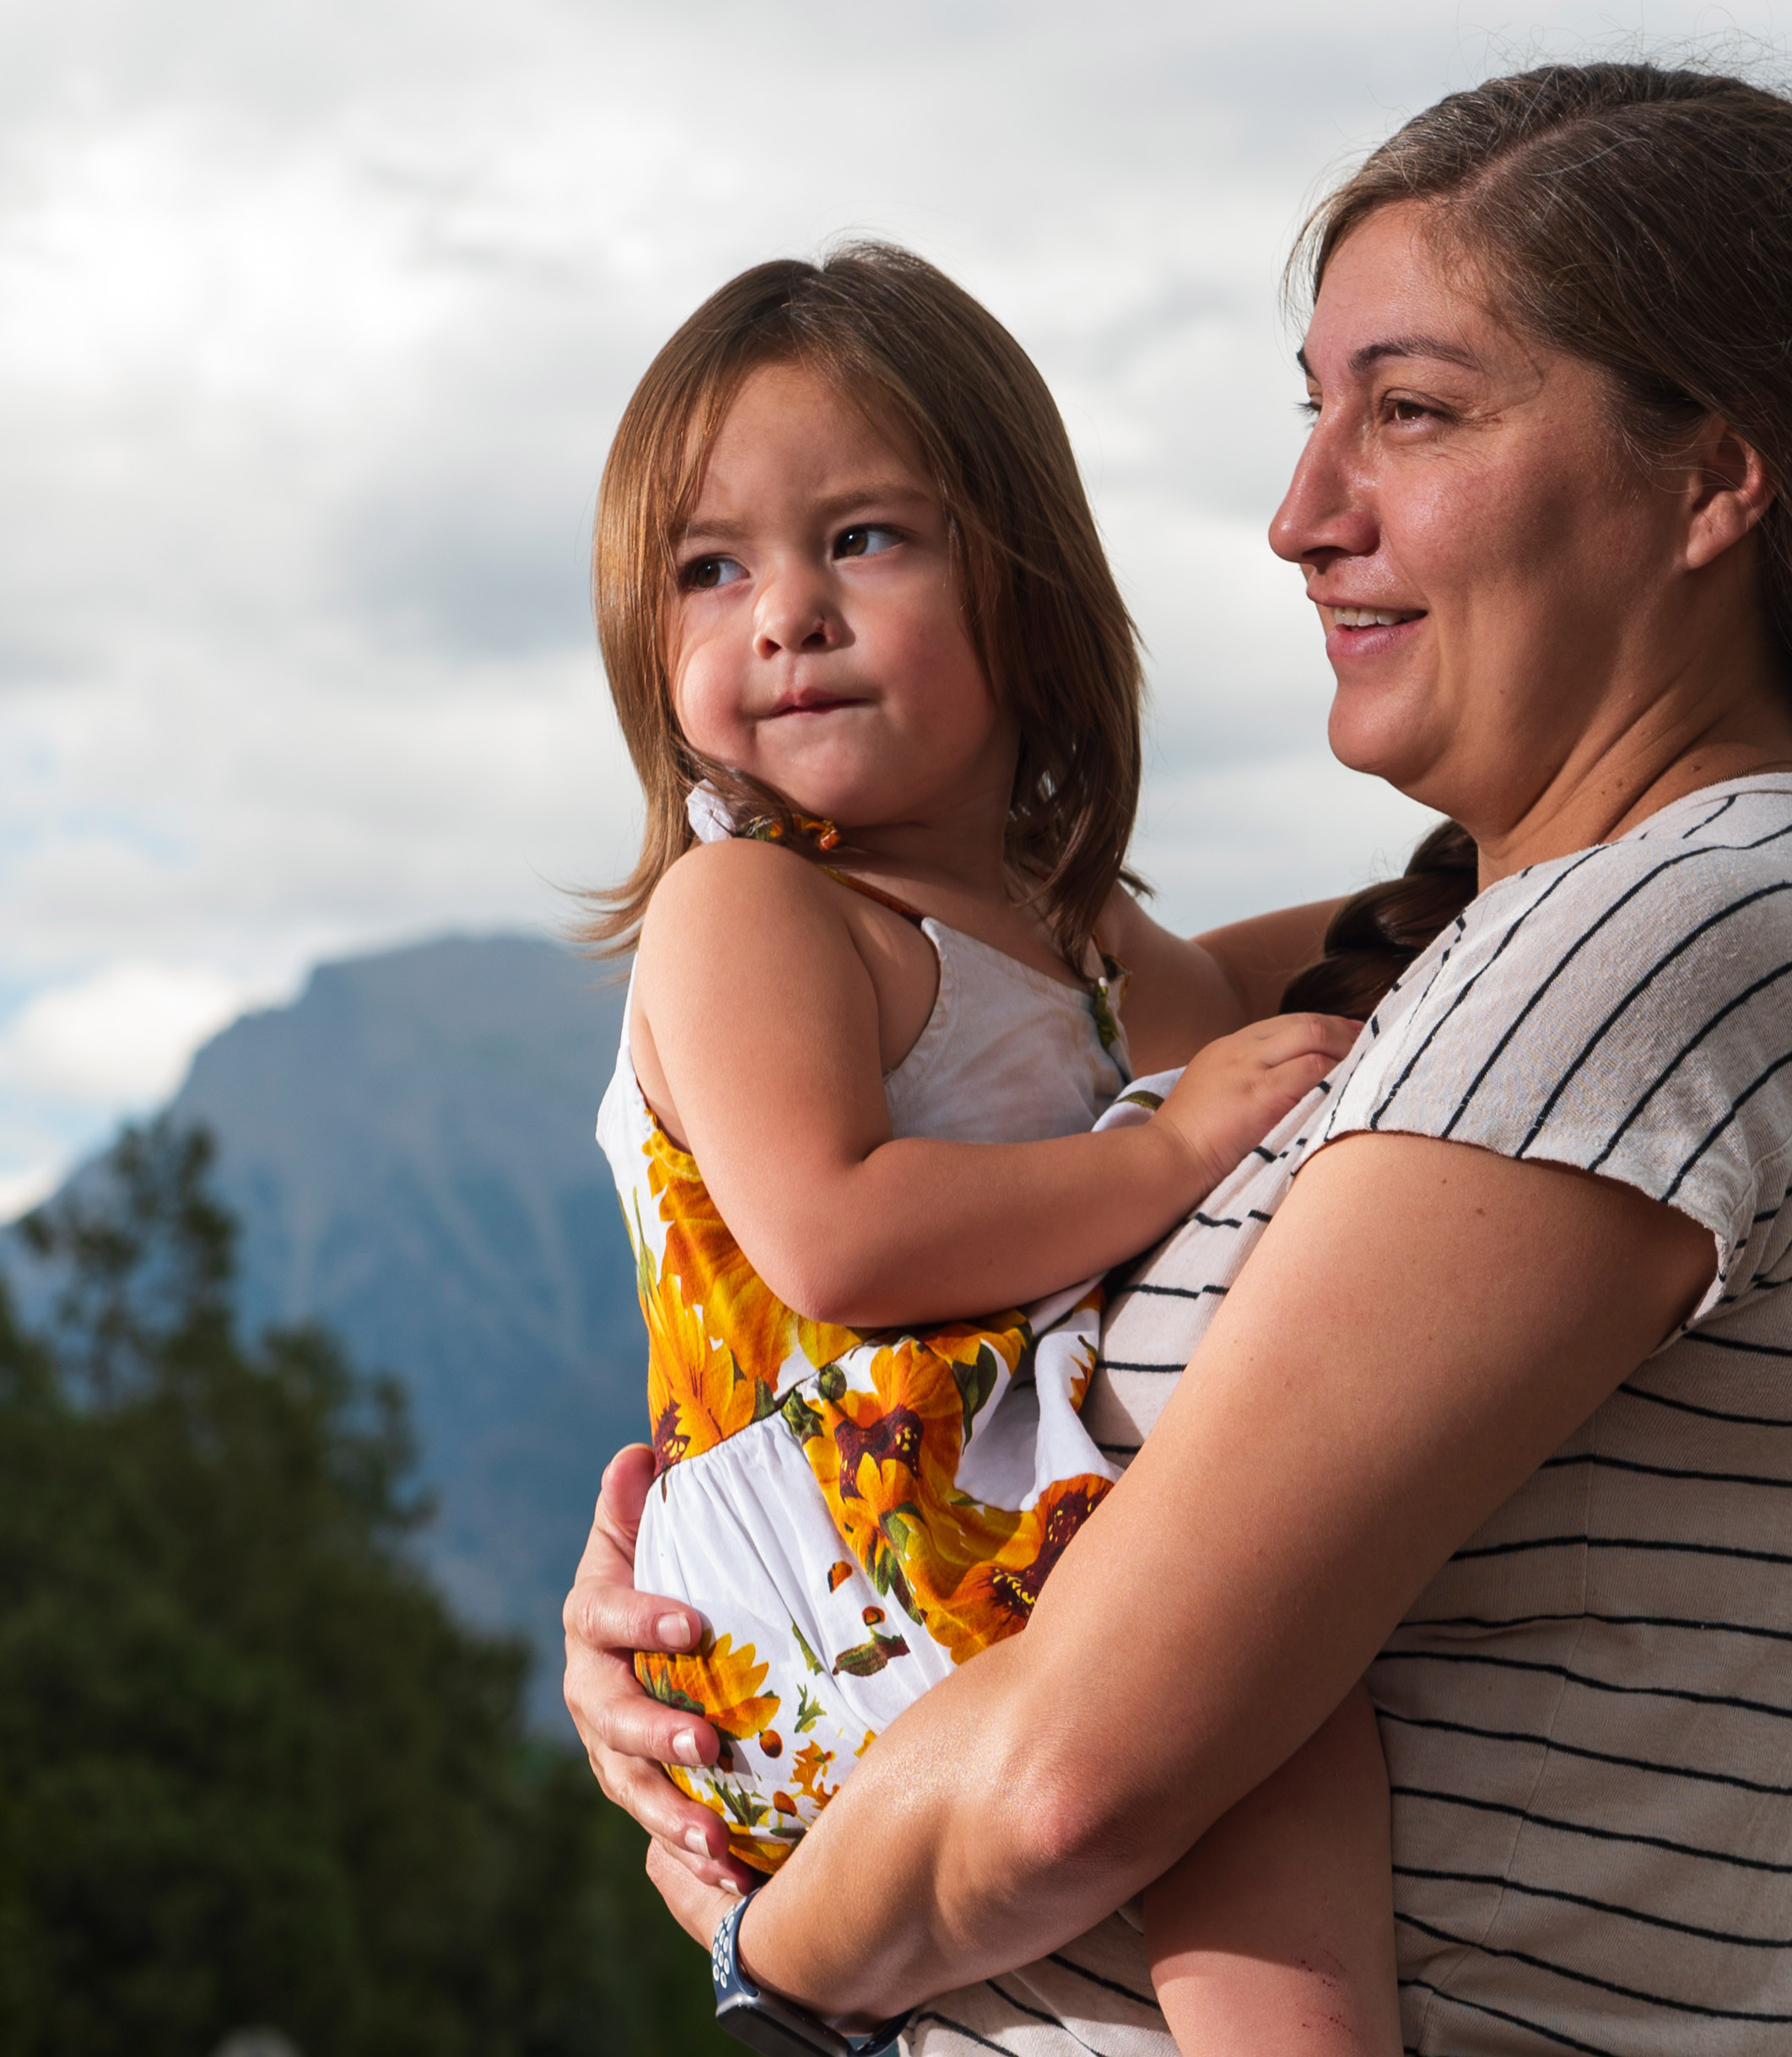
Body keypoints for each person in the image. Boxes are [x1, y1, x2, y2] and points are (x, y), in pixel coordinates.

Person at [564, 61, 1792, 2057]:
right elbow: (867, 1237)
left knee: (1266, 1751)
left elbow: (1070, 1781)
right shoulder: (1524, 952)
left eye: (1404, 411)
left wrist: (776, 1963)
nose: (1299, 515)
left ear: (1707, 479)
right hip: (852, 1614)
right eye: (1308, 413)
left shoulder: (1648, 942)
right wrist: (707, 1592)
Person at [575, 246, 1422, 2051]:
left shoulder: (1072, 925)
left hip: (964, 1547)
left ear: (1023, 590)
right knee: (1254, 1697)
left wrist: (1471, 886)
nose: (783, 613)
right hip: (829, 1570)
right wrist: (1168, 1147)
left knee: (1260, 1697)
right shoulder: (751, 916)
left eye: (861, 540)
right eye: (709, 569)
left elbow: (1233, 1003)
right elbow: (835, 1234)